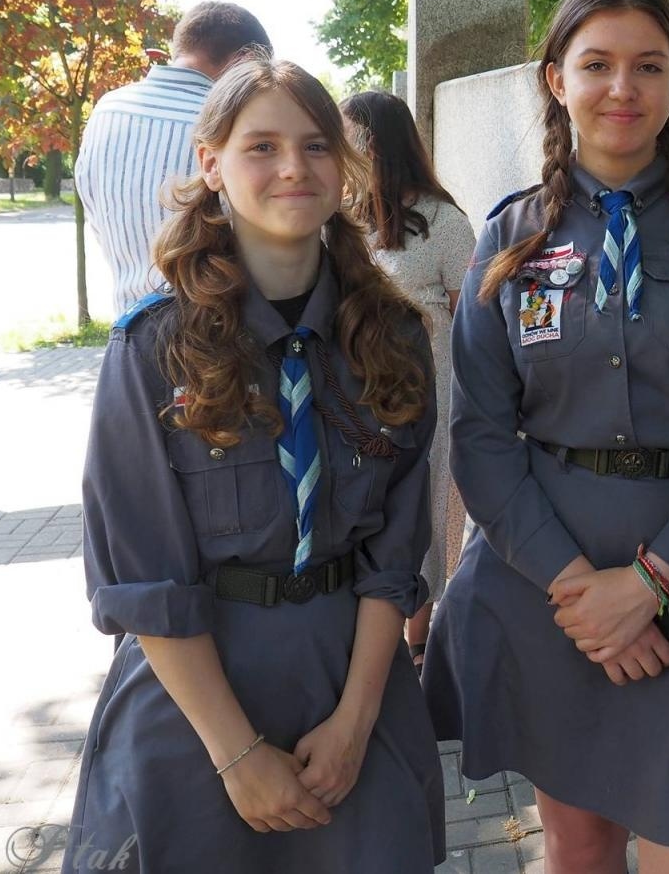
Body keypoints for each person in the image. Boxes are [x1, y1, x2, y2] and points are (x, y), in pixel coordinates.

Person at [422, 0, 669, 874]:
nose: (624, 88)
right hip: (548, 591)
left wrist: (652, 582)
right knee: (577, 848)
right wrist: (583, 594)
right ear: (556, 80)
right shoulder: (510, 239)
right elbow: (484, 440)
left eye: (649, 66)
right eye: (598, 64)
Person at [67, 57, 444, 872]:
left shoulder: (392, 337)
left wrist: (354, 724)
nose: (292, 169)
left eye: (315, 146)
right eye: (261, 146)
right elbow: (140, 580)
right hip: (197, 706)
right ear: (212, 165)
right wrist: (237, 756)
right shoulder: (152, 351)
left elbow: (395, 556)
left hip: (352, 681)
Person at [340, 90, 476, 670]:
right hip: (350, 400)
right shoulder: (340, 218)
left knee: (421, 514)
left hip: (428, 401)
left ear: (371, 142)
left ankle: (414, 648)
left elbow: (471, 319)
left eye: (341, 135)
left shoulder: (445, 222)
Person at [75, 1, 272, 314]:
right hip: (220, 336)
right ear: (243, 63)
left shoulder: (105, 110)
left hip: (129, 333)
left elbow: (95, 217)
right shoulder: (234, 127)